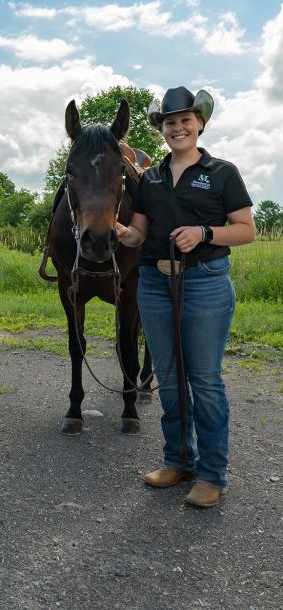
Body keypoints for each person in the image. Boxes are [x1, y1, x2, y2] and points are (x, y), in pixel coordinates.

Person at [115, 86, 256, 507]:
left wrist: (205, 233)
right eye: (169, 122)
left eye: (185, 121)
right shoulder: (151, 178)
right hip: (155, 283)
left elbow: (246, 230)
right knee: (169, 379)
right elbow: (140, 232)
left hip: (206, 282)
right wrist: (123, 233)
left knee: (205, 380)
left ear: (200, 124)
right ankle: (178, 460)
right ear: (161, 129)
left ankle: (212, 475)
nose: (177, 128)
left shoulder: (221, 173)